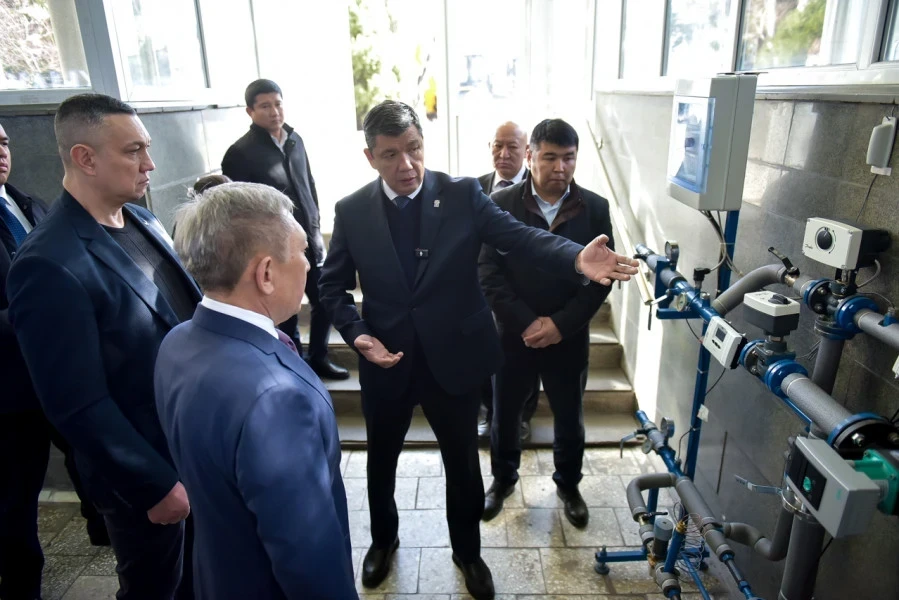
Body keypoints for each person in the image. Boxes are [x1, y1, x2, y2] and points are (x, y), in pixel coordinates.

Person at [319, 100, 638, 600]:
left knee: (463, 465)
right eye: (391, 155)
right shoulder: (352, 210)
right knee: (380, 462)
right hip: (386, 359)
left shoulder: (463, 194)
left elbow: (522, 237)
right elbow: (331, 286)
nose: (407, 165)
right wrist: (357, 333)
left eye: (414, 149)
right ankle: (383, 540)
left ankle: (468, 553)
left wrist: (576, 257)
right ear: (370, 157)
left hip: (454, 358)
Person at [7, 94, 200, 600]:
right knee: (157, 589)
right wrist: (154, 484)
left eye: (148, 148)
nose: (150, 163)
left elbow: (183, 314)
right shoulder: (48, 262)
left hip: (193, 448)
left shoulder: (143, 220)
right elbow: (75, 403)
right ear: (85, 158)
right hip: (145, 477)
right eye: (133, 150)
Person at [155, 182, 356, 599]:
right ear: (265, 273)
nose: (308, 264)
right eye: (302, 251)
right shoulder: (277, 399)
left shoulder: (176, 342)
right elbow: (307, 556)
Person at [479, 119, 614, 527]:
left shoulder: (594, 208)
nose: (560, 167)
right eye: (550, 157)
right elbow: (487, 272)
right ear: (531, 156)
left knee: (569, 416)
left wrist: (559, 325)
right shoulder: (501, 204)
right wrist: (525, 322)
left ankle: (568, 485)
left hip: (568, 337)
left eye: (568, 158)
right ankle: (503, 481)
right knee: (505, 414)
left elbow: (601, 279)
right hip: (513, 336)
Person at [0, 122, 108, 600]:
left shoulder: (31, 205)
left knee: (95, 463)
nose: (1, 152)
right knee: (14, 502)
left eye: (4, 142)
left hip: (59, 375)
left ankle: (106, 534)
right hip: (10, 392)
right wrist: (42, 317)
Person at [222, 79, 348, 380]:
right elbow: (240, 210)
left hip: (308, 240)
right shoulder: (240, 153)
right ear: (250, 111)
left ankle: (319, 357)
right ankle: (295, 365)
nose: (274, 111)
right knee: (286, 312)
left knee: (325, 300)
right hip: (273, 247)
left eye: (278, 104)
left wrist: (315, 224)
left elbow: (309, 184)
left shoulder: (295, 140)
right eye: (265, 106)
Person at [475, 121, 537, 441]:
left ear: (526, 152)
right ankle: (489, 411)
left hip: (521, 292)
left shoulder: (538, 190)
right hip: (481, 288)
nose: (503, 153)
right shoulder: (475, 187)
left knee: (525, 357)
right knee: (484, 353)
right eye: (497, 145)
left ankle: (522, 416)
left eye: (512, 147)